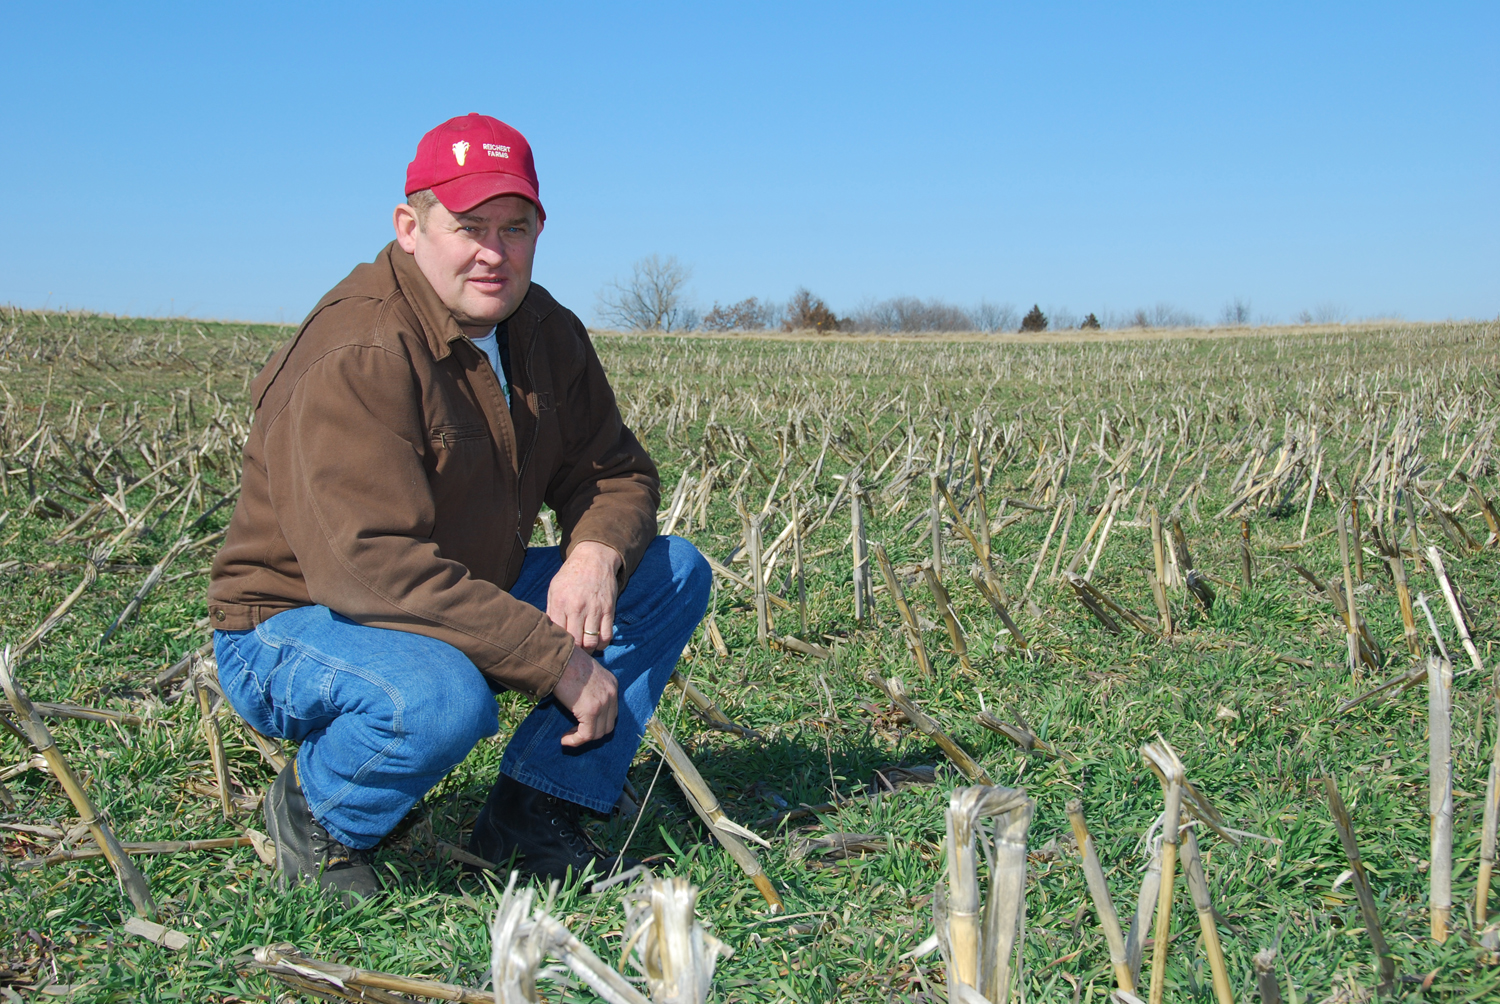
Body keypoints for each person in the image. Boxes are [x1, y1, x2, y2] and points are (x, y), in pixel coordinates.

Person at [207, 113, 710, 900]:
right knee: (440, 696)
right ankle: (320, 814)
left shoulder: (544, 331)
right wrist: (556, 660)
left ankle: (537, 807)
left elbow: (616, 474)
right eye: (468, 226)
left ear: (540, 228)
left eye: (515, 227)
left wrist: (593, 555)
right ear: (410, 226)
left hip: (456, 588)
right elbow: (369, 569)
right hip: (293, 622)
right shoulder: (362, 349)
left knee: (670, 573)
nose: (493, 251)